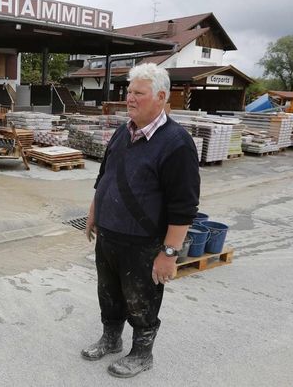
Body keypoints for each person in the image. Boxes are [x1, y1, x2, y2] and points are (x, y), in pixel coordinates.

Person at [82, 63, 200, 378]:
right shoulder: (123, 132)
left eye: (139, 93)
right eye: (129, 92)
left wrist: (170, 254)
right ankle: (111, 339)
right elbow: (104, 176)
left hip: (143, 242)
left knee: (141, 301)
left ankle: (142, 353)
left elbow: (184, 207)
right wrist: (94, 213)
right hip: (109, 236)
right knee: (108, 293)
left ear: (161, 97)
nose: (130, 99)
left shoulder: (177, 143)